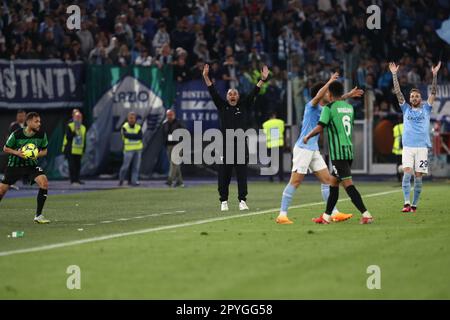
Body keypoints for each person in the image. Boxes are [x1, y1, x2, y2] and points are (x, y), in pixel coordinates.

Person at [276, 73, 362, 224]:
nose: (329, 95)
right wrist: (329, 82)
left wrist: (348, 95)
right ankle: (282, 215)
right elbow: (319, 97)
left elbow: (335, 100)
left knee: (328, 180)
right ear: (321, 93)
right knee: (295, 181)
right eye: (327, 92)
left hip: (313, 149)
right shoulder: (311, 106)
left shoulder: (325, 109)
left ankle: (334, 213)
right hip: (303, 148)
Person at [303, 80, 374, 225]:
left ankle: (366, 214)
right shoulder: (349, 108)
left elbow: (321, 126)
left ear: (329, 94)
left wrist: (307, 136)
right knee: (333, 184)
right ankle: (326, 217)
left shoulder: (329, 108)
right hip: (348, 150)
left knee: (348, 185)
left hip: (338, 153)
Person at [203, 63, 269, 211]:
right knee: (223, 176)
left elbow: (254, 92)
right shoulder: (222, 106)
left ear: (238, 97)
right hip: (225, 147)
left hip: (240, 146)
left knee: (242, 176)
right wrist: (206, 76)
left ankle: (242, 201)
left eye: (235, 94)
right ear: (226, 97)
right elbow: (212, 91)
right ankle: (224, 201)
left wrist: (262, 80)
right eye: (230, 94)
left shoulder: (244, 106)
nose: (232, 95)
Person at [389, 61, 441, 213]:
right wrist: (394, 75)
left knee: (418, 178)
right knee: (406, 173)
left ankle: (414, 205)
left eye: (416, 96)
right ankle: (406, 203)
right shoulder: (405, 109)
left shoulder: (426, 108)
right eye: (412, 96)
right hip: (408, 147)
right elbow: (398, 92)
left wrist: (435, 75)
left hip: (422, 148)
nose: (414, 98)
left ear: (420, 98)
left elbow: (433, 92)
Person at [0, 112, 50, 223]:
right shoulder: (17, 134)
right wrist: (17, 153)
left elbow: (45, 151)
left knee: (44, 183)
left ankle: (38, 215)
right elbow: (5, 148)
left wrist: (35, 154)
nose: (39, 124)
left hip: (31, 165)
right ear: (28, 122)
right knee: (2, 191)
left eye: (39, 121)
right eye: (36, 121)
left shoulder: (41, 134)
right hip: (15, 166)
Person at [119, 112, 143, 186]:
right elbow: (125, 135)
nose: (132, 120)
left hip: (138, 149)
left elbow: (140, 136)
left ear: (135, 119)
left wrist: (131, 135)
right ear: (128, 118)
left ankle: (134, 181)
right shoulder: (124, 127)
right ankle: (121, 180)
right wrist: (134, 135)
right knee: (125, 166)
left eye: (133, 118)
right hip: (128, 150)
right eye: (130, 118)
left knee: (136, 167)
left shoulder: (138, 127)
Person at [62, 111, 86, 185]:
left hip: (79, 150)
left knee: (78, 165)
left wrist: (84, 149)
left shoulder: (83, 127)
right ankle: (73, 180)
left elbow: (84, 139)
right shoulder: (70, 126)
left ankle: (77, 179)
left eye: (80, 117)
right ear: (74, 118)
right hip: (71, 149)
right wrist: (74, 132)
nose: (78, 119)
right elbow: (68, 137)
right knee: (72, 165)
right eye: (77, 117)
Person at [162, 109, 185, 187]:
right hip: (169, 146)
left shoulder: (178, 123)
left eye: (171, 115)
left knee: (174, 163)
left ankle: (170, 180)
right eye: (168, 115)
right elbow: (163, 135)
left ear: (174, 115)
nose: (170, 116)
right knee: (175, 164)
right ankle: (180, 182)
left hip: (177, 145)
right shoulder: (164, 124)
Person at [262, 112, 285, 182]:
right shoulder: (281, 122)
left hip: (270, 145)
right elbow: (282, 130)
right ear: (275, 115)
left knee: (271, 162)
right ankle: (281, 178)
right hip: (279, 144)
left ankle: (270, 178)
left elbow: (265, 133)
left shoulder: (265, 124)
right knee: (280, 162)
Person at [392, 116, 404, 183]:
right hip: (405, 148)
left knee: (398, 163)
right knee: (406, 163)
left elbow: (394, 135)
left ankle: (399, 177)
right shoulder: (407, 126)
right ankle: (405, 177)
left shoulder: (396, 127)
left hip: (397, 149)